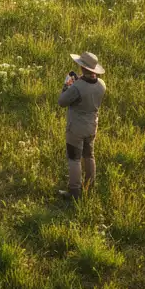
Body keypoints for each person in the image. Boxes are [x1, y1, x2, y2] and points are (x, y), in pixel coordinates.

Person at [58, 50, 106, 200]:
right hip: (92, 126)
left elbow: (62, 102)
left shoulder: (77, 87)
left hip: (76, 128)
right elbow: (89, 88)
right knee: (89, 155)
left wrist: (67, 86)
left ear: (82, 68)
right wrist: (79, 81)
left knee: (74, 159)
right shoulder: (101, 84)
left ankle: (74, 191)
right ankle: (90, 185)